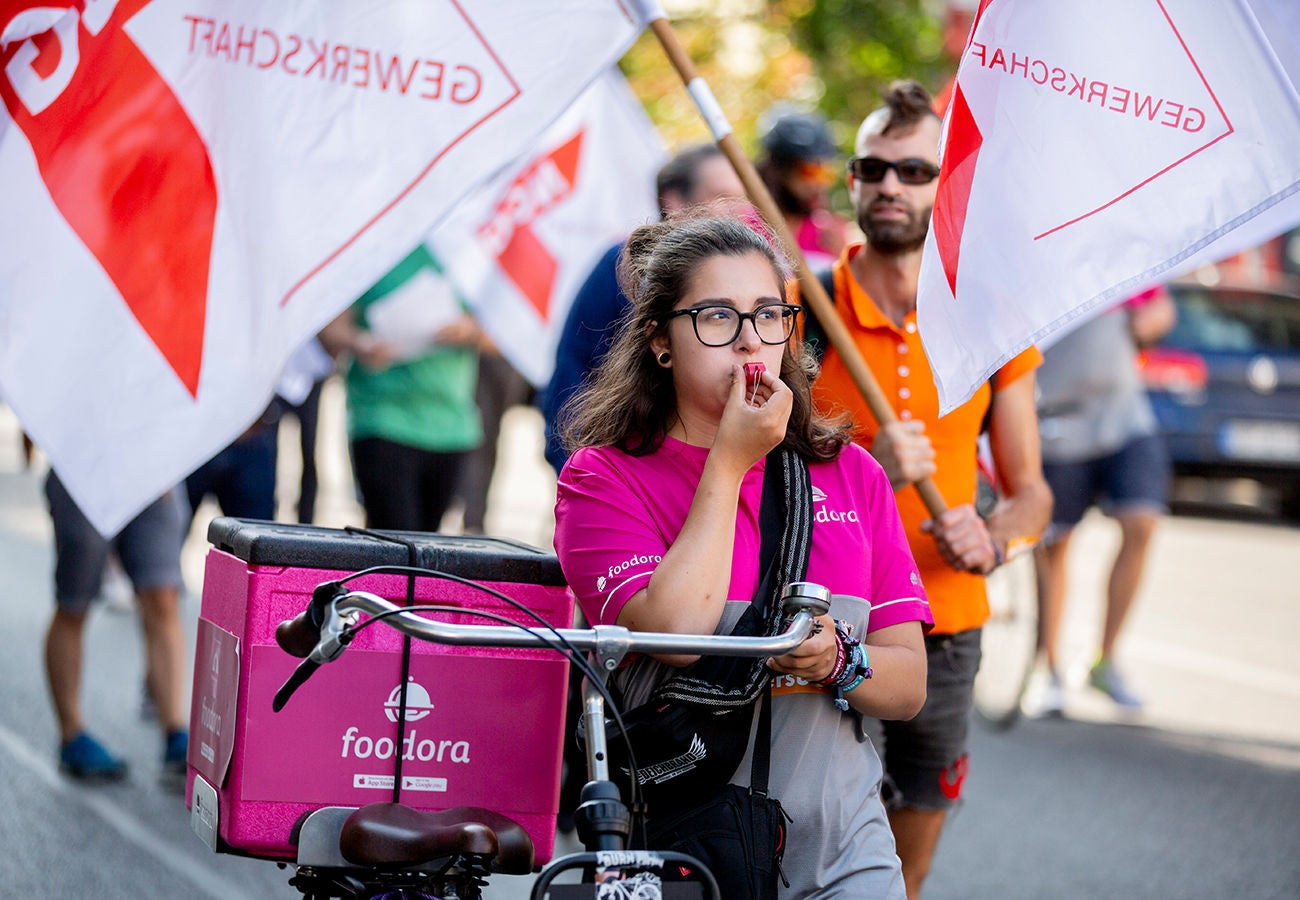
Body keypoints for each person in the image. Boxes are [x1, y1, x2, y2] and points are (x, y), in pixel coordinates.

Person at [553, 214, 932, 897]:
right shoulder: (601, 478)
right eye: (717, 318)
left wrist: (838, 658)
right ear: (660, 341)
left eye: (768, 314)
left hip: (843, 848)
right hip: (684, 848)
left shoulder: (853, 473)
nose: (751, 340)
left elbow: (907, 687)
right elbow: (673, 633)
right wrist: (729, 462)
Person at [803, 81, 1052, 898]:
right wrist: (865, 443)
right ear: (852, 182)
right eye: (872, 168)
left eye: (914, 171)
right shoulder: (806, 308)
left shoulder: (987, 316)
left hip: (943, 626)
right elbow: (751, 453)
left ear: (946, 188)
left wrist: (997, 539)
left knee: (907, 865)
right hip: (816, 619)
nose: (890, 186)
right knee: (804, 842)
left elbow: (1030, 498)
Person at [541, 143, 747, 473]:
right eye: (721, 198)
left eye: (741, 198)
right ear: (675, 202)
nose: (737, 212)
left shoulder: (753, 276)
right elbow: (572, 375)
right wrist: (579, 469)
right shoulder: (620, 269)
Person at [1032, 285, 1177, 714]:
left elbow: (1160, 303)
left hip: (1123, 416)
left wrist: (1157, 318)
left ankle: (1104, 659)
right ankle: (1048, 668)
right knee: (1054, 544)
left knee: (1142, 521)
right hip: (1056, 421)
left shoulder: (1112, 250)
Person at [320, 245, 483, 533]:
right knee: (396, 543)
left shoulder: (462, 246)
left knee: (426, 545)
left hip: (451, 426)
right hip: (383, 419)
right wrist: (360, 342)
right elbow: (330, 328)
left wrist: (469, 331)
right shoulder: (373, 245)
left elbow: (511, 335)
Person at [43, 471, 189, 781]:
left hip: (153, 473)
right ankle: (72, 736)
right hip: (85, 472)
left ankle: (175, 733)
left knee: (163, 598)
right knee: (74, 604)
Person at [755, 107, 851, 271]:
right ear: (777, 170)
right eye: (809, 171)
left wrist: (844, 259)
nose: (819, 184)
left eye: (824, 172)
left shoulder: (830, 234)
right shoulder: (745, 226)